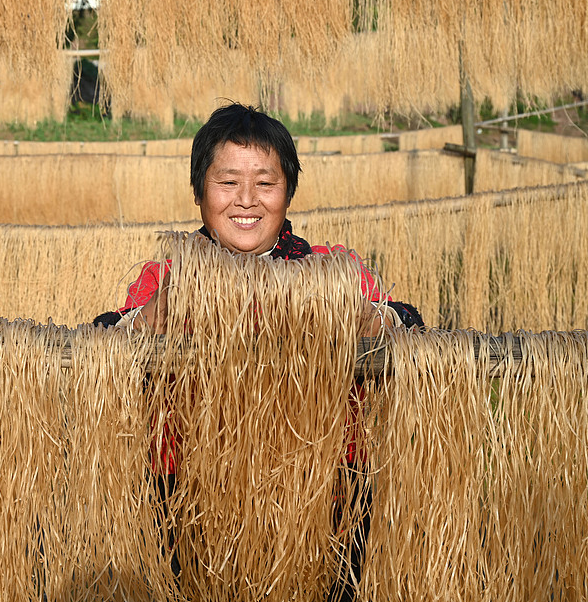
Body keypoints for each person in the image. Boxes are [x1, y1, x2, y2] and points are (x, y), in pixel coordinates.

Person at [93, 103, 422, 601]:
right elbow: (105, 340)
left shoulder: (333, 271)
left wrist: (365, 316)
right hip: (185, 495)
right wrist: (152, 318)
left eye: (265, 183)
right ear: (199, 192)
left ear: (288, 192)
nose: (246, 200)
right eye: (227, 182)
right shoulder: (165, 279)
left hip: (324, 494)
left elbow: (409, 326)